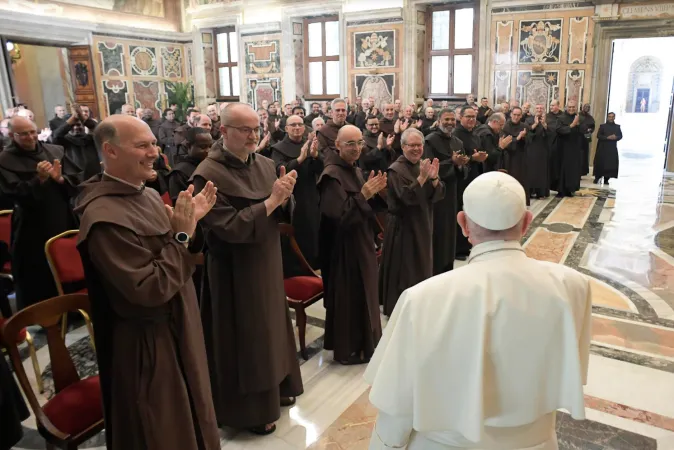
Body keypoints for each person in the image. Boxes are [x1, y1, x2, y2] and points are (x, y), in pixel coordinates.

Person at [364, 171, 592, 450]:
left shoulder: (423, 298)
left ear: (463, 224)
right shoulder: (574, 286)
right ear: (526, 223)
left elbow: (396, 405)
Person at [75, 114, 220, 450]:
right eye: (142, 145)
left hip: (180, 325)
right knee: (164, 431)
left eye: (154, 143)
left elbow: (186, 255)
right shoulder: (102, 218)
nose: (155, 151)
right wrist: (182, 233)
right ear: (110, 151)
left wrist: (192, 225)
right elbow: (148, 289)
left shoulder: (149, 196)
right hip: (149, 345)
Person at [191, 103, 303, 435]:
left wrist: (285, 199)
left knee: (271, 330)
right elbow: (228, 227)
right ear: (222, 131)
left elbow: (283, 209)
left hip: (267, 261)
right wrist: (270, 202)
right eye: (245, 129)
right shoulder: (207, 175)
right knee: (248, 339)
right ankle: (250, 411)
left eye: (256, 128)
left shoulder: (267, 164)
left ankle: (278, 389)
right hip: (234, 271)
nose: (253, 135)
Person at [318, 124, 385, 365]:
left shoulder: (353, 169)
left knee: (366, 291)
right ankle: (349, 349)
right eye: (350, 144)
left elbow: (363, 206)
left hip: (362, 241)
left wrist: (374, 200)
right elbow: (338, 217)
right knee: (350, 295)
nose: (356, 148)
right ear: (337, 145)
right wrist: (364, 195)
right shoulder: (331, 175)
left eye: (359, 143)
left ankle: (367, 343)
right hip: (344, 249)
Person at [0, 117, 80, 310]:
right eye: (24, 133)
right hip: (31, 224)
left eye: (33, 132)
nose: (31, 137)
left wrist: (60, 179)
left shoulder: (53, 151)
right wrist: (40, 179)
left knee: (69, 264)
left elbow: (76, 180)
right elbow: (12, 194)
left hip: (62, 216)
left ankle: (74, 308)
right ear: (11, 135)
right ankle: (46, 313)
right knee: (38, 270)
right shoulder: (4, 160)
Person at [379, 128, 444, 316]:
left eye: (419, 145)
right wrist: (422, 178)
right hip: (403, 226)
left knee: (422, 263)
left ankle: (420, 301)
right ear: (403, 147)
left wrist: (433, 180)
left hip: (423, 222)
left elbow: (437, 195)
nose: (416, 149)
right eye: (412, 145)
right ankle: (401, 306)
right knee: (405, 268)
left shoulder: (421, 165)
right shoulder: (395, 170)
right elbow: (405, 198)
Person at [271, 115, 323, 274]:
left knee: (313, 231)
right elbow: (280, 170)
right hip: (290, 197)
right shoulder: (278, 148)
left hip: (310, 194)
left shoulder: (309, 145)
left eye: (300, 124)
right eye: (293, 125)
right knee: (296, 231)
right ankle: (297, 270)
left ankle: (314, 266)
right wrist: (300, 158)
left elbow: (321, 169)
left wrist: (315, 157)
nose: (297, 127)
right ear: (286, 128)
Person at [424, 109, 467, 275]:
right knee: (438, 232)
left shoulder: (458, 142)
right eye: (446, 119)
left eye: (452, 119)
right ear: (439, 121)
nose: (450, 122)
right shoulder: (430, 141)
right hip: (436, 194)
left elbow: (463, 168)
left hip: (453, 193)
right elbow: (428, 167)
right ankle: (434, 270)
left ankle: (448, 268)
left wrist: (461, 165)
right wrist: (452, 162)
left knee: (450, 231)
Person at [453, 105, 486, 259]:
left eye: (474, 117)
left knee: (472, 212)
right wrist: (473, 158)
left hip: (473, 177)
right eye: (468, 117)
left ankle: (468, 243)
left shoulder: (475, 135)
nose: (472, 120)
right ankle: (458, 248)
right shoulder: (456, 135)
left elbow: (475, 155)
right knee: (461, 211)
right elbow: (459, 158)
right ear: (461, 117)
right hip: (461, 180)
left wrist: (479, 158)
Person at [52, 103, 101, 180]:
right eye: (72, 125)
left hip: (93, 177)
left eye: (78, 125)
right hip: (73, 179)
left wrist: (83, 118)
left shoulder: (90, 138)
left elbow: (100, 130)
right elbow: (56, 135)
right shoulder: (64, 140)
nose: (75, 128)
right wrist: (73, 118)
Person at [168, 127, 212, 203]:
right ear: (188, 145)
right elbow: (180, 205)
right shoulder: (178, 173)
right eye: (203, 147)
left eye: (210, 146)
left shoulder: (209, 164)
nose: (208, 151)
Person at [553, 101, 583, 197]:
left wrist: (579, 125)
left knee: (572, 169)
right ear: (566, 107)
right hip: (563, 148)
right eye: (569, 107)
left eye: (573, 107)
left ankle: (570, 189)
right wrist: (571, 125)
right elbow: (558, 130)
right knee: (562, 168)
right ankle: (561, 190)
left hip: (574, 148)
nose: (571, 109)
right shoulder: (561, 118)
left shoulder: (579, 118)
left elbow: (584, 131)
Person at [501, 107, 530, 205]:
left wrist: (524, 137)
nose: (516, 117)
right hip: (509, 158)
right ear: (511, 114)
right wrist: (517, 138)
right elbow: (505, 143)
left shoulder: (524, 126)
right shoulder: (505, 126)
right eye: (514, 114)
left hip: (521, 157)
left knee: (521, 179)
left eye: (518, 115)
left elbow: (529, 142)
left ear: (521, 116)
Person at [526, 104, 551, 198]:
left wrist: (544, 124)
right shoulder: (529, 119)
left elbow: (552, 133)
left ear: (544, 109)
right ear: (534, 110)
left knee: (542, 171)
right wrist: (535, 124)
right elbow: (526, 131)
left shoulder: (547, 119)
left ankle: (541, 192)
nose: (539, 110)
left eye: (541, 108)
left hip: (543, 148)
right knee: (531, 170)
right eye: (537, 108)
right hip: (531, 148)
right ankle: (531, 191)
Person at [593, 112, 622, 185]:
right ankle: (597, 177)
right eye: (609, 116)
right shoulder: (602, 126)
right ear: (607, 117)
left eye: (612, 117)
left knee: (610, 164)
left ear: (614, 117)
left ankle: (606, 179)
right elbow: (598, 135)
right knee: (600, 162)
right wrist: (607, 137)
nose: (611, 118)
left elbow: (620, 136)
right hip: (602, 148)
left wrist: (616, 137)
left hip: (612, 149)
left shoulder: (617, 127)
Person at [546, 100, 563, 192]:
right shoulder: (547, 116)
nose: (551, 107)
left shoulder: (563, 116)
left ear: (558, 106)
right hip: (550, 144)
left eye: (553, 105)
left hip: (560, 144)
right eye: (550, 105)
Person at [579, 103, 595, 176]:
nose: (587, 108)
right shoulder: (578, 115)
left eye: (588, 107)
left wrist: (590, 130)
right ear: (582, 107)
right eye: (585, 107)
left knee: (585, 153)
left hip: (586, 136)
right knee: (579, 153)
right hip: (579, 136)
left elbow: (593, 127)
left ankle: (583, 171)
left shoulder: (590, 117)